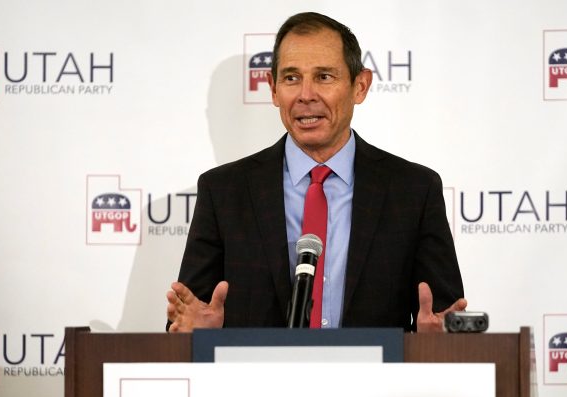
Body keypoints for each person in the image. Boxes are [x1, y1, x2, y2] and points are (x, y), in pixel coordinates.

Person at [166, 11, 466, 333]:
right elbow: (190, 315)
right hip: (255, 381)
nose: (306, 95)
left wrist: (437, 341)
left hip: (376, 382)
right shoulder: (223, 191)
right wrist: (195, 336)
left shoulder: (414, 191)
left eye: (324, 76)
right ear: (273, 88)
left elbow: (442, 318)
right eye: (292, 78)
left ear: (360, 86)